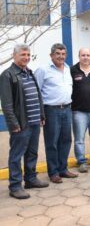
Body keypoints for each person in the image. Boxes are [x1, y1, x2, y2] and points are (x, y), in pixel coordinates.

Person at [0, 44, 49, 199]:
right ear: (14, 55)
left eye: (28, 55)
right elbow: (7, 104)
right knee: (16, 155)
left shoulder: (29, 72)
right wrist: (14, 124)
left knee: (32, 153)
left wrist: (41, 115)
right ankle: (15, 186)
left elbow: (37, 95)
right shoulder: (8, 75)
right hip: (21, 124)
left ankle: (31, 179)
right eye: (23, 54)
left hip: (35, 122)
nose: (26, 57)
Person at [35, 43, 77, 183]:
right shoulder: (43, 70)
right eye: (58, 54)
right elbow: (37, 92)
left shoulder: (67, 68)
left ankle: (63, 169)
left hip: (66, 108)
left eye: (63, 54)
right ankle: (53, 172)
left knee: (66, 140)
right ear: (51, 55)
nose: (61, 56)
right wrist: (40, 113)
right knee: (52, 142)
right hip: (51, 110)